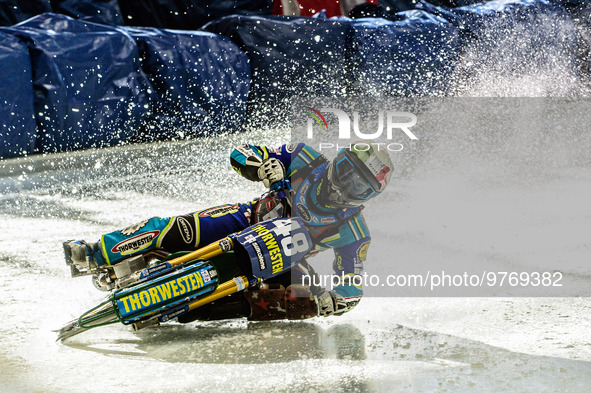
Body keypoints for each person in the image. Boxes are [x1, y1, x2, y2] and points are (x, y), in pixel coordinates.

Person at [64, 142, 393, 321]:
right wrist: (261, 166)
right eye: (348, 173)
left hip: (285, 260)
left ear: (368, 199)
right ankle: (96, 253)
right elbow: (243, 152)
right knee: (172, 229)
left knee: (301, 302)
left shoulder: (354, 231)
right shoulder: (304, 158)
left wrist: (336, 301)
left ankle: (195, 309)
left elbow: (352, 285)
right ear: (339, 161)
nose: (345, 187)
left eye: (359, 187)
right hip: (246, 218)